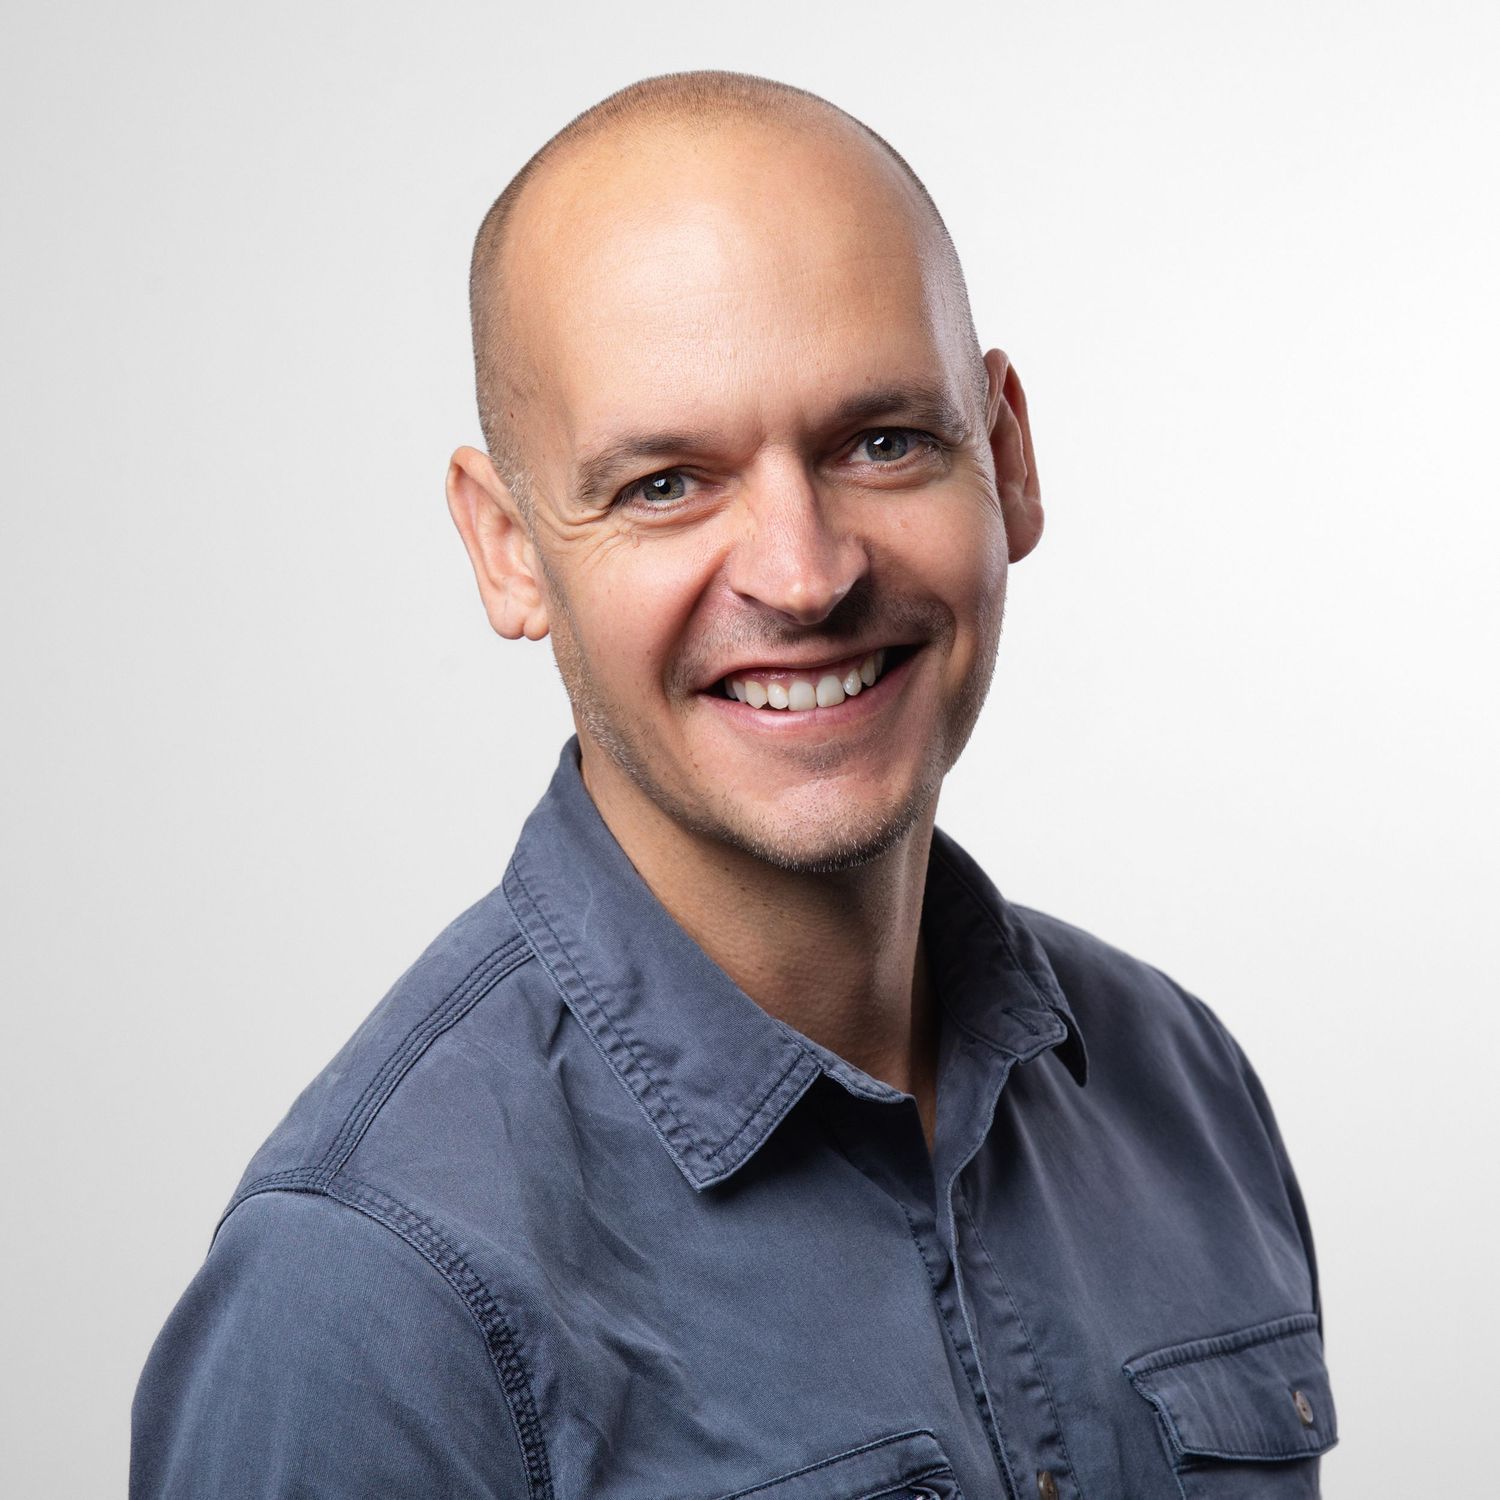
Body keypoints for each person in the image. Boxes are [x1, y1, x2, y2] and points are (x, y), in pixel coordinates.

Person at [130, 70, 1337, 1499]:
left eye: (882, 442)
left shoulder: (1176, 1084)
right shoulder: (368, 1295)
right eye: (665, 484)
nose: (806, 571)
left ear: (1004, 455)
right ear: (508, 547)